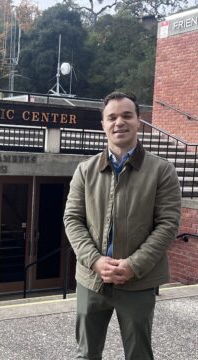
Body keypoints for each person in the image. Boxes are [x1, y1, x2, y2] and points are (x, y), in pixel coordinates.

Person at [63, 91, 181, 360]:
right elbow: (72, 219)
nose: (120, 122)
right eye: (112, 117)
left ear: (139, 121)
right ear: (103, 124)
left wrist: (133, 265)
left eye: (127, 115)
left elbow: (167, 225)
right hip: (92, 280)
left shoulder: (162, 171)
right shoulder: (85, 170)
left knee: (139, 354)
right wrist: (94, 260)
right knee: (86, 354)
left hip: (138, 281)